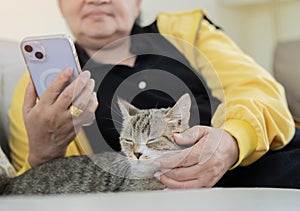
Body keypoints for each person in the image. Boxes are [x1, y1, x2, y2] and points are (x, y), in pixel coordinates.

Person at [8, 0, 300, 189]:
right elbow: (26, 186)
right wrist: (43, 154)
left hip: (258, 164)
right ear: (61, 5)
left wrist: (233, 141)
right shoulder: (37, 89)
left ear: (137, 3)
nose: (97, 0)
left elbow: (259, 88)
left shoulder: (188, 31)